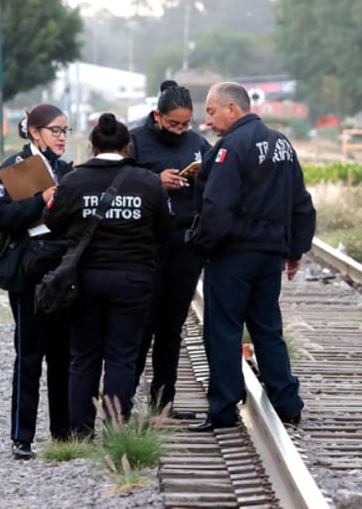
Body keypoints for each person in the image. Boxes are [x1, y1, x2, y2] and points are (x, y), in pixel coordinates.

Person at [186, 82, 316, 431]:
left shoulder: (232, 147)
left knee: (224, 331)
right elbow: (301, 202)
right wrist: (295, 250)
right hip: (269, 256)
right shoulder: (282, 145)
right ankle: (288, 404)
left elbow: (217, 206)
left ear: (233, 108)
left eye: (212, 112)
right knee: (267, 329)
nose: (208, 121)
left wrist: (200, 246)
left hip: (233, 256)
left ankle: (224, 409)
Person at [43, 113, 173, 438]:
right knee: (122, 357)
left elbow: (53, 222)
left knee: (83, 356)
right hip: (133, 281)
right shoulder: (148, 183)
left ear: (92, 145)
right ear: (127, 146)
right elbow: (166, 231)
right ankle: (117, 431)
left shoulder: (73, 181)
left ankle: (80, 434)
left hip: (84, 281)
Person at [0, 104, 74, 459]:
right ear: (35, 131)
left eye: (66, 131)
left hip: (62, 273)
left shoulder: (68, 171)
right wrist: (41, 199)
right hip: (27, 275)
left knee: (63, 356)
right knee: (28, 356)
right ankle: (22, 436)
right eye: (56, 130)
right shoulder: (13, 168)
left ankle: (63, 432)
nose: (62, 137)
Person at [130, 80, 210, 415]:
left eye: (185, 124)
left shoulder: (197, 143)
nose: (179, 131)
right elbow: (119, 179)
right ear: (157, 116)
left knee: (170, 327)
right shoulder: (134, 141)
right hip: (147, 245)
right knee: (140, 326)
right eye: (173, 124)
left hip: (185, 246)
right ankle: (120, 402)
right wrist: (154, 181)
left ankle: (163, 402)